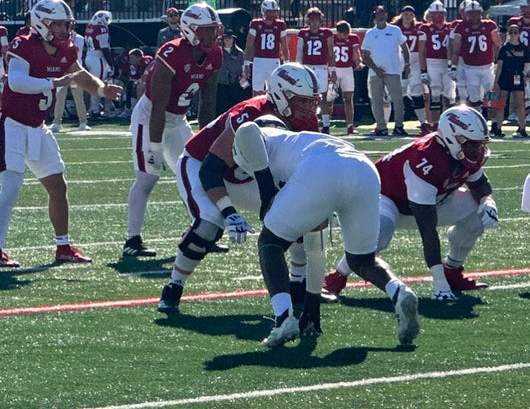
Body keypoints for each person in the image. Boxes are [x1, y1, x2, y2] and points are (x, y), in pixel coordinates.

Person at [163, 117, 420, 347]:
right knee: (361, 259)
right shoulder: (301, 147)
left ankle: (283, 318)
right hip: (364, 169)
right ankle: (398, 291)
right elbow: (316, 242)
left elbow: (249, 130)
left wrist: (265, 190)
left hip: (322, 168)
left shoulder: (266, 137)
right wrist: (311, 306)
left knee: (269, 244)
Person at [158, 63, 321, 315]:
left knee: (299, 210)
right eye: (301, 101)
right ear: (280, 95)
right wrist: (229, 212)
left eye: (311, 101)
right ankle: (173, 286)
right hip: (201, 163)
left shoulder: (307, 121)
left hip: (246, 174)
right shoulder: (250, 115)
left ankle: (297, 282)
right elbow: (210, 170)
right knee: (209, 224)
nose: (309, 108)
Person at [0, 0, 122, 268]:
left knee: (58, 186)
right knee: (10, 188)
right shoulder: (23, 44)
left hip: (38, 127)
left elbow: (80, 76)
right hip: (11, 124)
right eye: (58, 25)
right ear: (42, 24)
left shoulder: (67, 48)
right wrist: (55, 81)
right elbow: (18, 82)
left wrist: (103, 89)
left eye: (65, 25)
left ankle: (63, 246)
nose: (63, 30)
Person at [324, 106, 498, 300]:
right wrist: (438, 283)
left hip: (428, 201)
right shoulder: (425, 159)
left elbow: (480, 185)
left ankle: (453, 272)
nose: (477, 150)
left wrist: (487, 201)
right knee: (379, 234)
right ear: (451, 138)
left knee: (478, 213)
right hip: (385, 198)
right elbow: (427, 228)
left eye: (480, 144)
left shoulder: (457, 152)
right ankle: (336, 276)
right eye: (472, 144)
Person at [124, 3, 223, 257]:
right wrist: (155, 146)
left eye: (213, 30)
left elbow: (208, 100)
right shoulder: (171, 52)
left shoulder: (215, 54)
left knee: (194, 174)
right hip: (151, 118)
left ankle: (199, 232)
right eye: (206, 31)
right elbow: (158, 104)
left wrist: (207, 140)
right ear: (190, 31)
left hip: (178, 120)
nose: (212, 36)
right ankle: (132, 240)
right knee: (147, 177)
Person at [363, 5, 410, 136]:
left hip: (393, 69)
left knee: (398, 99)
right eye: (378, 13)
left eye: (383, 13)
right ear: (375, 15)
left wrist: (407, 64)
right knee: (376, 100)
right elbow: (365, 56)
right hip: (375, 72)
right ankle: (381, 127)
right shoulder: (370, 33)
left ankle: (399, 126)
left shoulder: (395, 30)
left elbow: (405, 48)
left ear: (386, 14)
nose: (381, 15)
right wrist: (376, 69)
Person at [449, 0, 501, 112]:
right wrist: (453, 66)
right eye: (471, 13)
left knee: (492, 93)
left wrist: (498, 63)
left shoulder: (489, 24)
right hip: (470, 67)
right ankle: (479, 120)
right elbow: (456, 49)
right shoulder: (461, 27)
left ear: (481, 13)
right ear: (466, 14)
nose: (474, 16)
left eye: (476, 13)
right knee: (474, 96)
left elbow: (498, 45)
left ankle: (495, 122)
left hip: (488, 66)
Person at [296, 7, 335, 133]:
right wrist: (298, 67)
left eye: (316, 20)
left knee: (323, 97)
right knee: (307, 97)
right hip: (307, 67)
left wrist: (332, 69)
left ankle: (326, 124)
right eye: (312, 20)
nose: (314, 22)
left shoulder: (326, 33)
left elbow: (330, 52)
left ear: (320, 20)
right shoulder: (303, 33)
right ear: (308, 20)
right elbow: (299, 52)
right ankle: (309, 122)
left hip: (321, 67)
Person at [418, 0, 455, 131]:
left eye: (440, 14)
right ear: (431, 15)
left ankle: (449, 124)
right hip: (432, 62)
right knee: (435, 94)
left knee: (450, 95)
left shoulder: (451, 27)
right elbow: (421, 51)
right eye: (435, 14)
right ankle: (435, 124)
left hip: (447, 63)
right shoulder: (425, 28)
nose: (438, 17)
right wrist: (423, 70)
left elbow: (454, 47)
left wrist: (453, 65)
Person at [243, 0, 289, 94]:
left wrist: (287, 63)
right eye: (270, 11)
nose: (273, 14)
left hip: (274, 60)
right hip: (259, 60)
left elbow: (284, 46)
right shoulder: (256, 24)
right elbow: (249, 45)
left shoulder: (280, 25)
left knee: (275, 92)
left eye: (274, 11)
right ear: (264, 11)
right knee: (257, 91)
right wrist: (246, 63)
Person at [491, 24, 529, 138]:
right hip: (505, 77)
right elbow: (500, 66)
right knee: (501, 103)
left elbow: (527, 64)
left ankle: (522, 128)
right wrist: (496, 82)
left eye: (515, 32)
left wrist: (526, 76)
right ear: (508, 33)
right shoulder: (504, 48)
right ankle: (498, 128)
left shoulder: (524, 48)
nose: (513, 34)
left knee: (520, 103)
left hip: (518, 77)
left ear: (519, 34)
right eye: (511, 32)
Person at [394, 6, 428, 133]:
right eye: (406, 14)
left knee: (417, 91)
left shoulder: (419, 27)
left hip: (415, 61)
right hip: (399, 61)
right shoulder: (395, 28)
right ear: (401, 15)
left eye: (410, 14)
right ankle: (399, 123)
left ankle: (423, 122)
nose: (408, 16)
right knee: (400, 93)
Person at [333, 21, 363, 134]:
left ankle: (350, 125)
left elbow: (356, 52)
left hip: (347, 69)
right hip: (334, 69)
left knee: (348, 98)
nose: (343, 36)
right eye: (341, 33)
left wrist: (358, 62)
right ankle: (326, 124)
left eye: (345, 33)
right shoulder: (332, 38)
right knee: (330, 98)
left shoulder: (353, 38)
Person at [84, 10, 114, 120]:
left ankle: (94, 109)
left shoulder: (90, 26)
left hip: (89, 56)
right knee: (98, 84)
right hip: (98, 58)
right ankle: (96, 111)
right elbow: (105, 48)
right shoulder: (102, 29)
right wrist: (111, 64)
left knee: (94, 83)